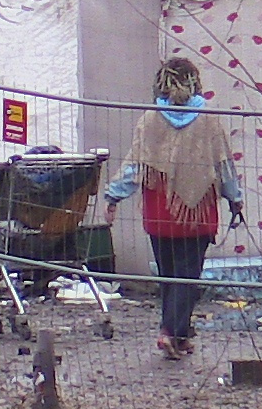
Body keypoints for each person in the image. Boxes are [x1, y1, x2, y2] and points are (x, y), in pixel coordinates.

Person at [103, 58, 244, 360]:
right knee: (188, 277)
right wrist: (235, 198)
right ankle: (171, 331)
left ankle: (178, 336)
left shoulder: (150, 119)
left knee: (169, 276)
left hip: (160, 211)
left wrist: (113, 197)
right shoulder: (208, 119)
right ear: (195, 82)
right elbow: (224, 166)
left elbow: (134, 166)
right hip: (197, 213)